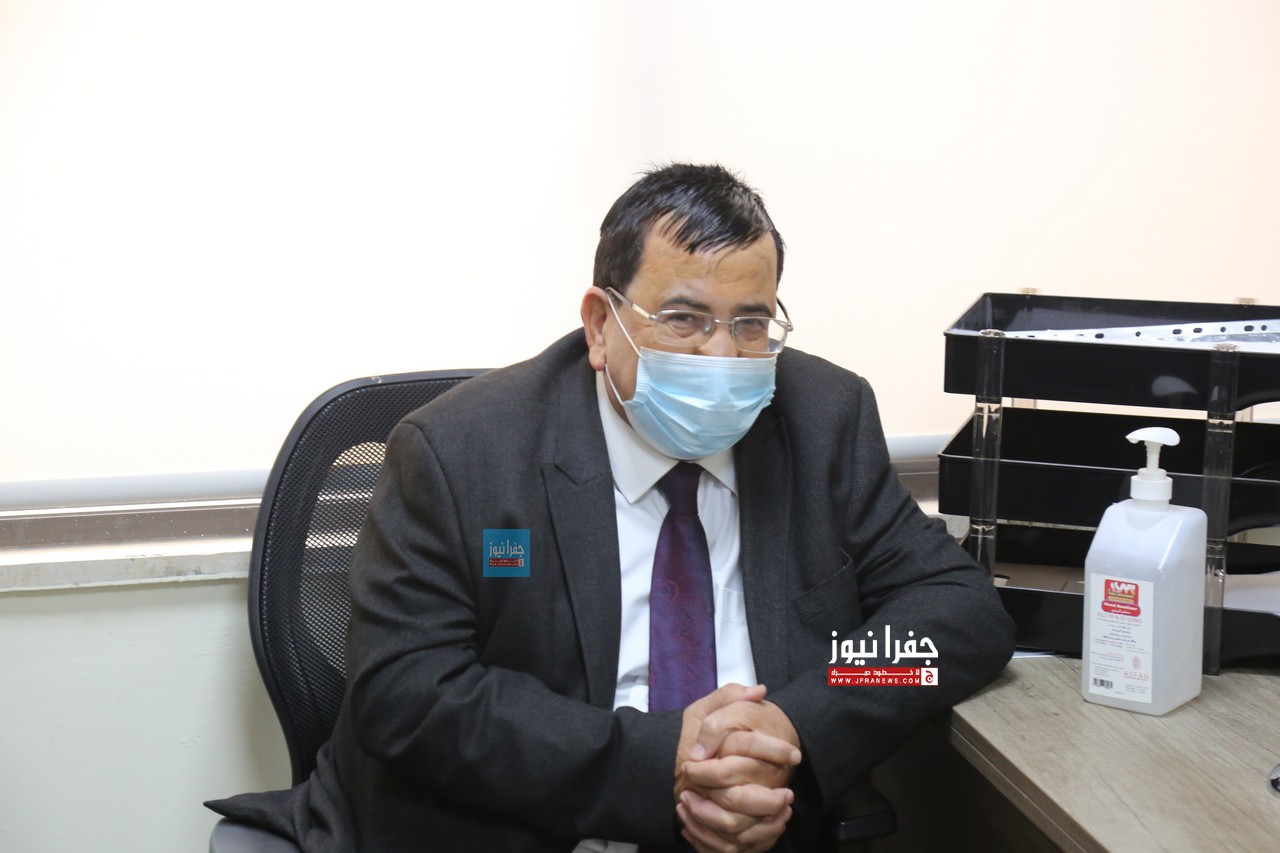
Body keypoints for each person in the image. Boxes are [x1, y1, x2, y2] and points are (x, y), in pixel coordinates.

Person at [209, 163, 1015, 852]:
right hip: (522, 830)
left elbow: (959, 615)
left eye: (750, 323)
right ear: (601, 325)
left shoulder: (820, 418)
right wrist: (665, 760)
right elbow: (407, 693)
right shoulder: (461, 452)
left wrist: (800, 721)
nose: (722, 355)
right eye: (684, 319)